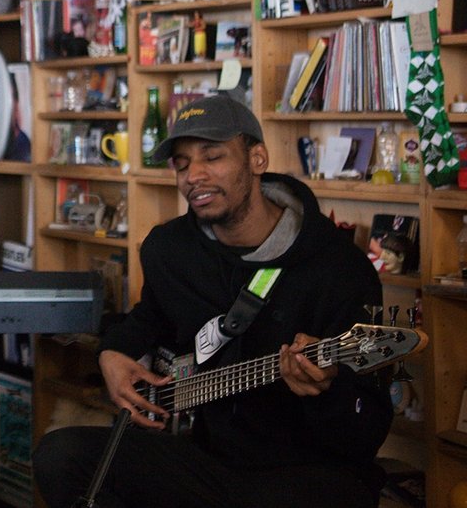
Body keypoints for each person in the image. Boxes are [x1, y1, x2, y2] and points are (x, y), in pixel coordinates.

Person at [33, 93, 391, 508]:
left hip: (307, 469)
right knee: (62, 456)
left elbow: (368, 427)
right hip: (204, 460)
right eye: (182, 164)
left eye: (212, 157)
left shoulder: (340, 269)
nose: (194, 175)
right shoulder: (169, 249)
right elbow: (151, 316)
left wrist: (326, 387)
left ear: (257, 159)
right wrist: (113, 352)